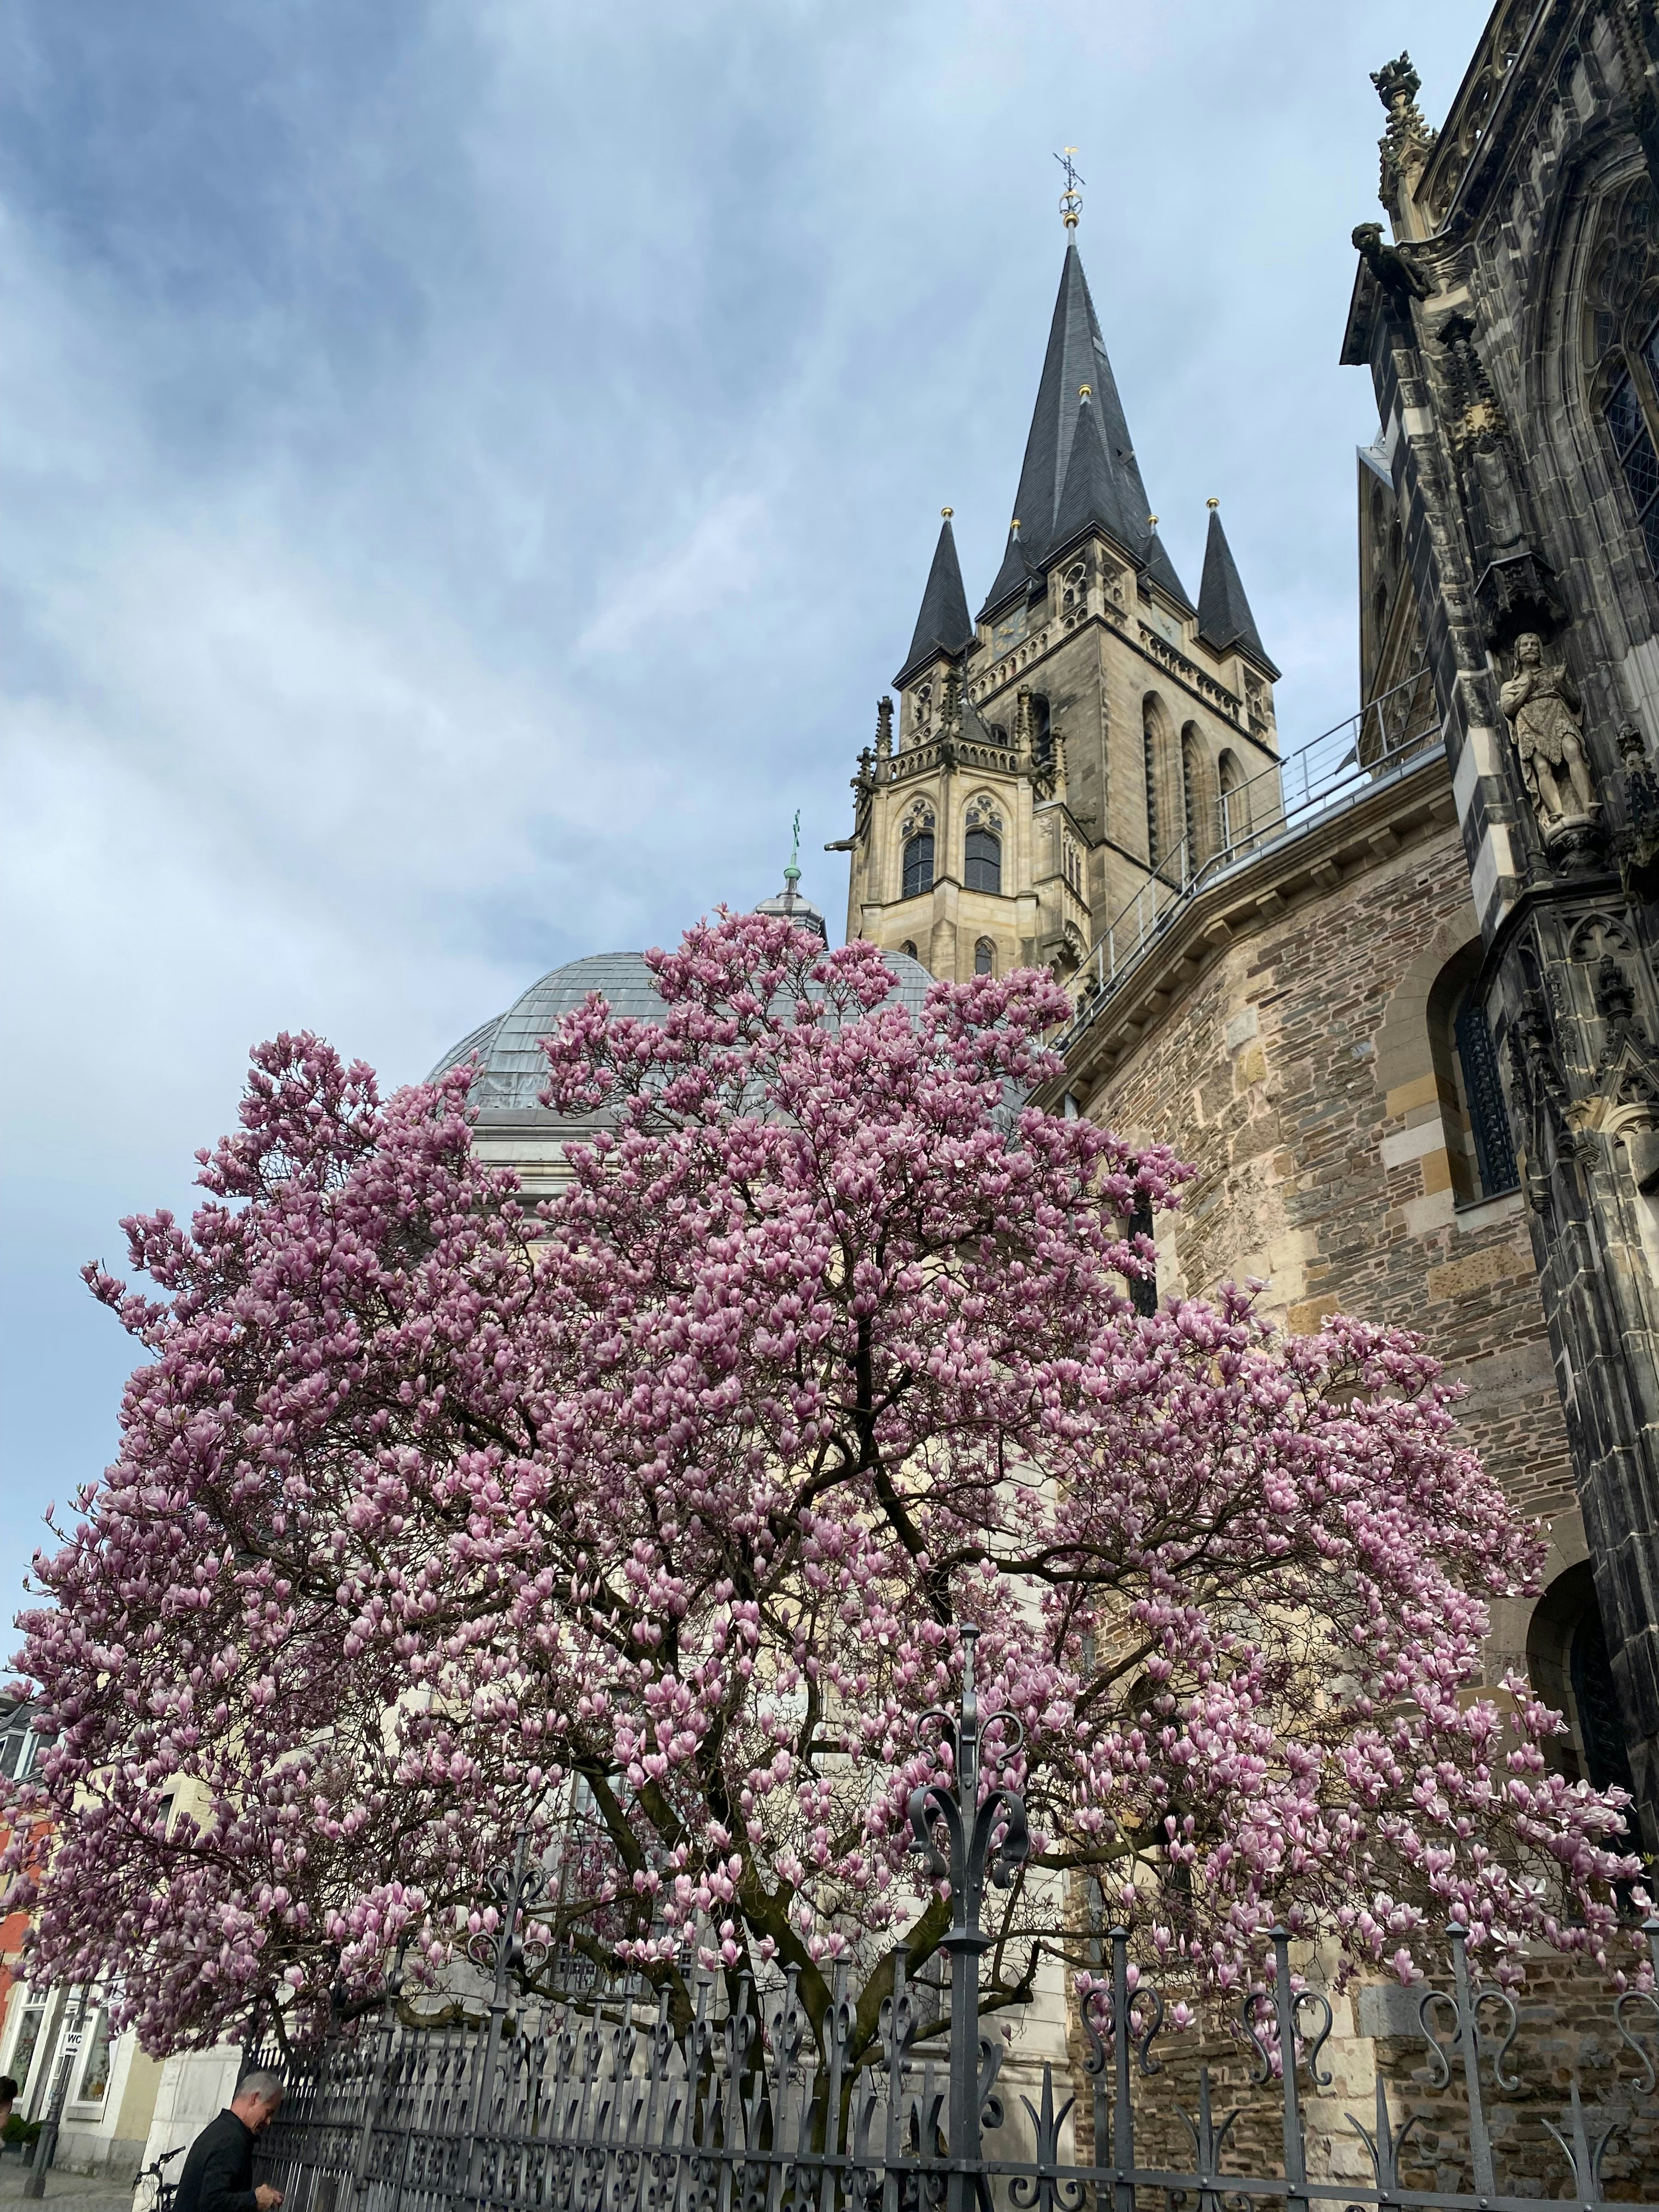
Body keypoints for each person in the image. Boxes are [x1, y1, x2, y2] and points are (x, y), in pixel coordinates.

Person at [172, 2071, 285, 2212]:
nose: (268, 2122)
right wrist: (255, 2200)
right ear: (255, 2099)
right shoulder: (231, 2140)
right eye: (269, 2112)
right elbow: (212, 2203)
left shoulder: (222, 2130)